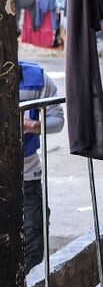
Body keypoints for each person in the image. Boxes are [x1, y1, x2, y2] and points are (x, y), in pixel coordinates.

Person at [19, 60, 64, 274]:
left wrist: (32, 126)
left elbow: (57, 119)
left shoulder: (35, 79)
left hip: (27, 173)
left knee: (33, 241)